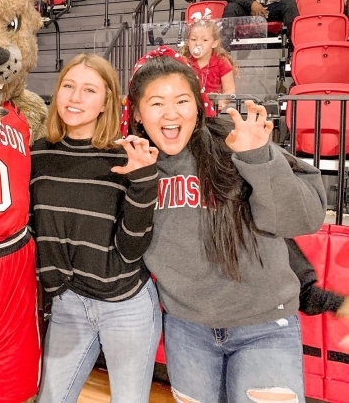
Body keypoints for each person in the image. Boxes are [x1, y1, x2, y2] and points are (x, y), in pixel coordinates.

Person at [128, 54, 326, 403]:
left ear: (199, 106)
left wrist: (259, 159)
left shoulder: (237, 143)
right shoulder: (135, 165)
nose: (170, 113)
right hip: (186, 329)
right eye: (157, 103)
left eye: (182, 101)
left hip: (264, 326)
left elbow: (303, 219)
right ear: (138, 114)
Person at [31, 54, 161, 403]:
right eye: (69, 87)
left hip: (126, 306)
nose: (75, 98)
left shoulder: (126, 157)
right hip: (69, 302)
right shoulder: (37, 155)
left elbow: (133, 248)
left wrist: (143, 181)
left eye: (89, 90)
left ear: (106, 102)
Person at [179, 20, 237, 115]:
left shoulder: (222, 62)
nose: (198, 44)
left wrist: (222, 102)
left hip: (211, 112)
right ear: (188, 42)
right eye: (193, 39)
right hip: (189, 111)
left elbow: (230, 90)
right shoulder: (183, 62)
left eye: (205, 40)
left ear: (214, 43)